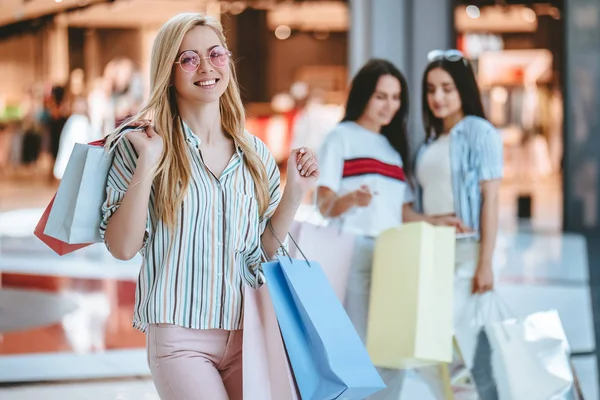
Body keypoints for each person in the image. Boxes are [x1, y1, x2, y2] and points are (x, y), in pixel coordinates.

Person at [100, 13, 319, 399]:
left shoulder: (255, 154)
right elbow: (122, 247)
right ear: (169, 71)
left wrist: (295, 192)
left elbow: (261, 251)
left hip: (248, 330)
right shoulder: (141, 146)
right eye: (189, 59)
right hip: (178, 338)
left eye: (216, 54)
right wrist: (148, 164)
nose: (206, 67)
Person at [316, 58, 462, 399]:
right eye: (381, 96)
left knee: (395, 347)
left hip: (395, 256)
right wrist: (351, 198)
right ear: (364, 95)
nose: (389, 106)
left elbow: (404, 214)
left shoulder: (394, 152)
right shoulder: (341, 138)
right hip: (356, 253)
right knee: (360, 346)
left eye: (396, 98)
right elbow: (324, 205)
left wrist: (438, 222)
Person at [413, 49, 503, 398]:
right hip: (433, 252)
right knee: (431, 346)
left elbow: (491, 200)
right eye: (431, 89)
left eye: (447, 88)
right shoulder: (429, 143)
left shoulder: (479, 132)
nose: (438, 97)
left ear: (463, 89)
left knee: (457, 345)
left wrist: (486, 264)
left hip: (467, 254)